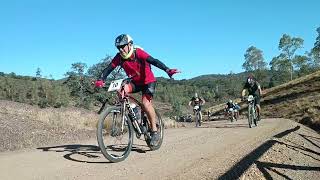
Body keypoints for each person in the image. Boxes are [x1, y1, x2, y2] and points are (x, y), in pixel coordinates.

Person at [94, 34, 179, 146]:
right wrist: (101, 79)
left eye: (123, 46)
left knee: (145, 104)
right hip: (135, 82)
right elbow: (109, 68)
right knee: (121, 89)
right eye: (118, 47)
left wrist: (167, 69)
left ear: (130, 45)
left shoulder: (138, 52)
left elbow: (154, 61)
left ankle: (154, 131)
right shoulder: (119, 57)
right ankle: (133, 110)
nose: (121, 49)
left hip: (148, 82)